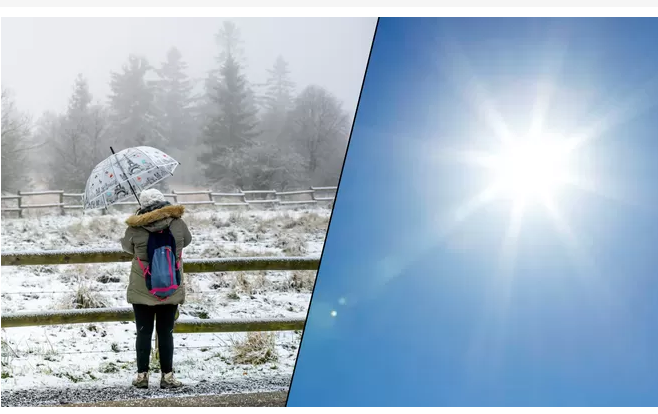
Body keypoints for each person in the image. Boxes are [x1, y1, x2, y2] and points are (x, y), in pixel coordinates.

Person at [120, 188, 192, 389]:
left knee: (143, 332)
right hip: (171, 285)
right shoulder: (177, 223)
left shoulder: (135, 227)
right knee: (165, 332)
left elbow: (127, 248)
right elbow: (187, 241)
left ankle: (142, 377)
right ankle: (167, 377)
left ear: (143, 206)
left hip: (142, 287)